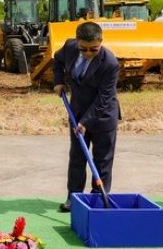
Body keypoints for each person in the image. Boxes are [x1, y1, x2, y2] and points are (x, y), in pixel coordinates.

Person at [53, 21, 121, 212]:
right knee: (77, 158)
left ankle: (97, 199)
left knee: (102, 160)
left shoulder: (110, 64)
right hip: (77, 111)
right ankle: (73, 198)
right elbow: (57, 60)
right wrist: (58, 81)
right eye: (84, 49)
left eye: (94, 49)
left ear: (101, 42)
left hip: (102, 116)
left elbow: (104, 98)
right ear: (77, 42)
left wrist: (86, 122)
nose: (88, 53)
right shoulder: (69, 47)